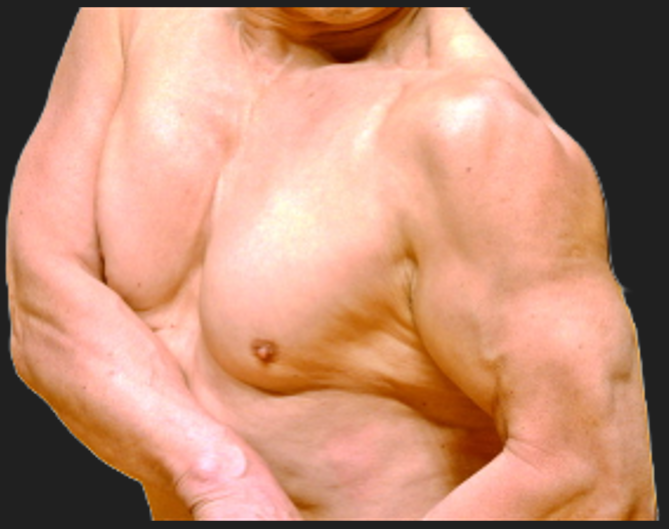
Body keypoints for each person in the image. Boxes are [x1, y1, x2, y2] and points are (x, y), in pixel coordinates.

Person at [6, 7, 657, 521]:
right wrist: (217, 474)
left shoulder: (473, 134)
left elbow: (597, 479)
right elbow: (45, 292)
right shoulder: (132, 21)